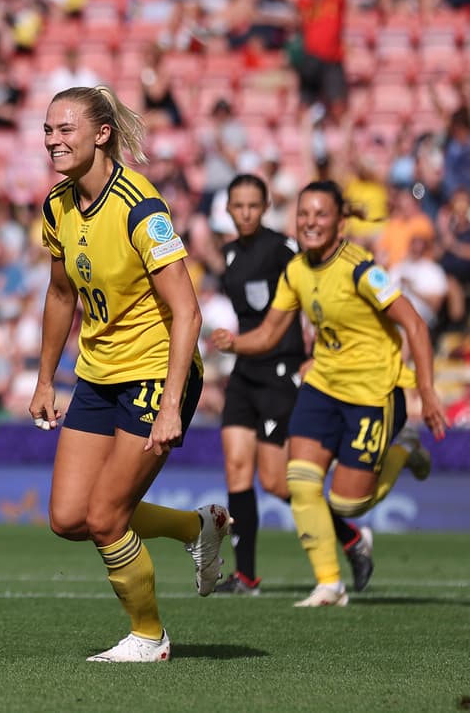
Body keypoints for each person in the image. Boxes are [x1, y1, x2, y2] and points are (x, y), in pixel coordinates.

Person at [29, 85, 230, 664]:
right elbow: (61, 292)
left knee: (106, 518)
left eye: (65, 129)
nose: (53, 140)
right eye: (47, 130)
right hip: (98, 373)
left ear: (101, 134)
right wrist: (45, 379)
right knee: (69, 518)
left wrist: (171, 404)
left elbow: (187, 310)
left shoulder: (141, 206)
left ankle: (149, 636)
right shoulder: (57, 206)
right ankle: (198, 528)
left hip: (155, 373)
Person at [211, 180, 446, 607]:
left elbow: (414, 324)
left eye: (320, 214)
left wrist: (426, 392)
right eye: (304, 214)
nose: (310, 222)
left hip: (373, 391)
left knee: (347, 503)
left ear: (340, 222)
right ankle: (328, 585)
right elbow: (267, 333)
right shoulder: (297, 270)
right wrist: (233, 343)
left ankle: (404, 450)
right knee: (299, 482)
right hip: (322, 385)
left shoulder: (360, 269)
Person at [214, 174, 373, 596]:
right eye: (238, 206)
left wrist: (314, 349)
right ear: (227, 209)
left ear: (265, 207)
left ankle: (350, 537)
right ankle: (245, 576)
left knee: (277, 483)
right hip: (244, 371)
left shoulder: (282, 248)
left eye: (253, 205)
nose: (245, 213)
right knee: (235, 468)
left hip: (279, 373)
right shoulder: (227, 254)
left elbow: (314, 287)